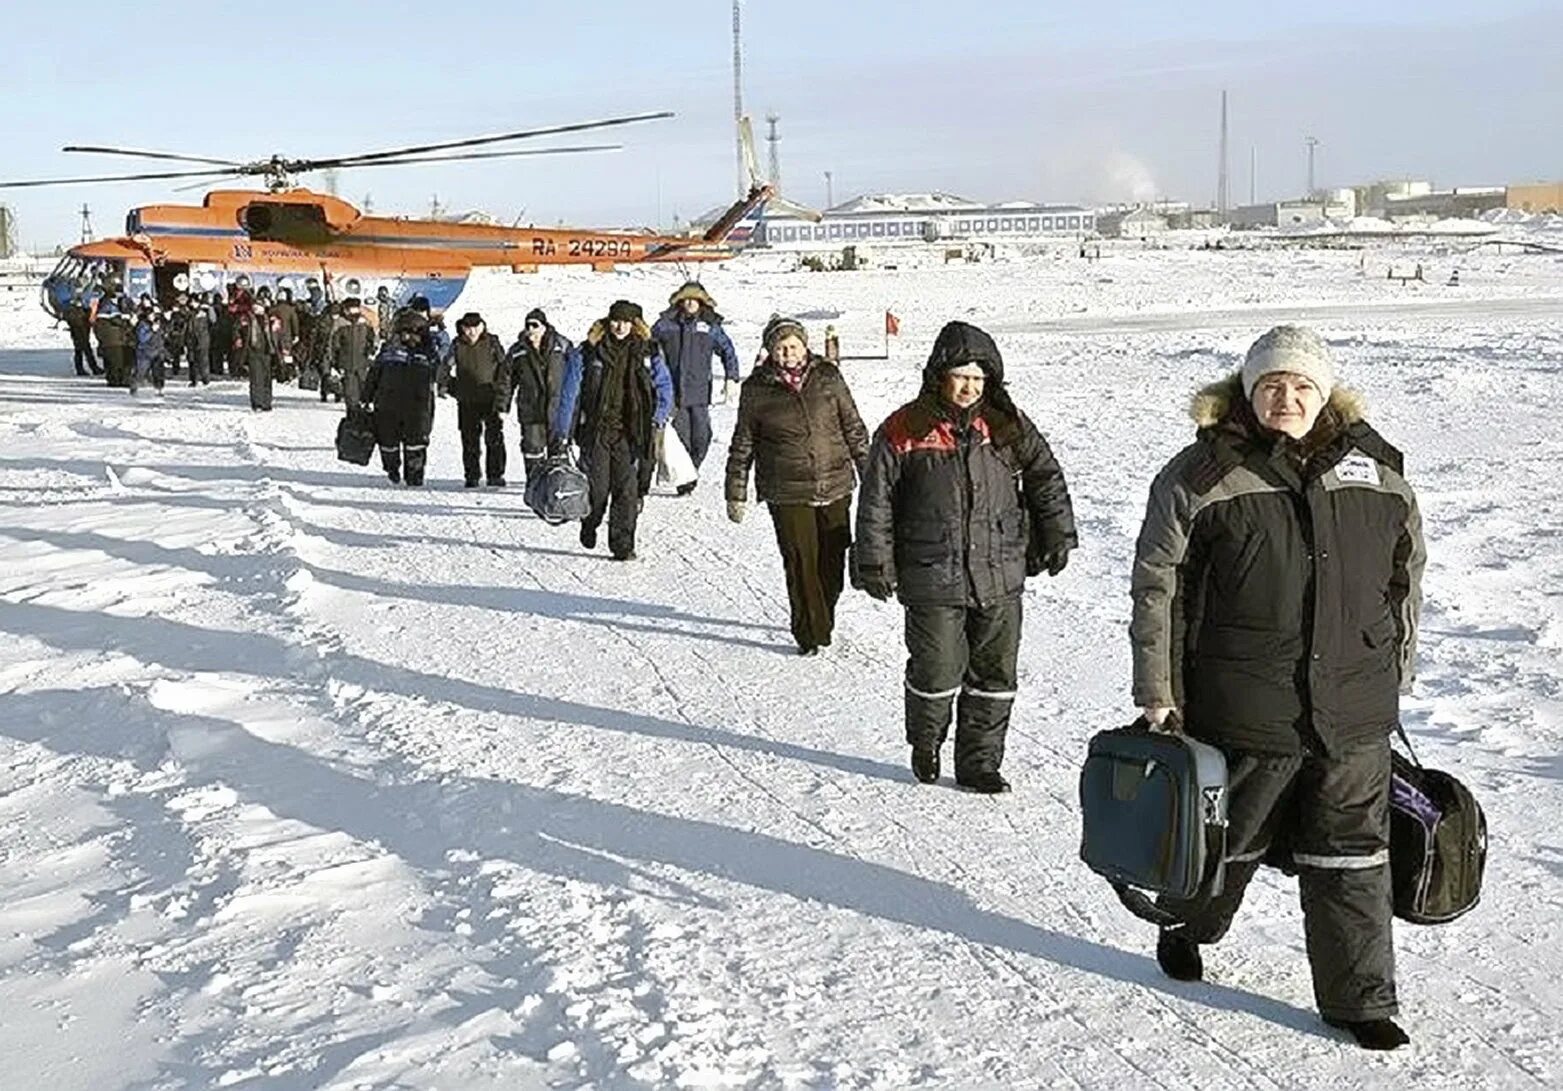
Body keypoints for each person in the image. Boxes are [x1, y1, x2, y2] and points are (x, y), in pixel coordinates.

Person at [1129, 326, 1424, 1051]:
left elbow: (1404, 576)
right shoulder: (1201, 475)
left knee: (1350, 853)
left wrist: (1396, 669)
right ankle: (1185, 926)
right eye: (1269, 385)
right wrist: (1157, 687)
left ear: (1322, 394)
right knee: (1227, 843)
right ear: (1247, 391)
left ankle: (1359, 1000)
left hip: (1353, 706)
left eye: (1299, 386)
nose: (1284, 398)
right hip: (1242, 702)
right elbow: (1156, 588)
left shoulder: (1377, 470)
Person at [854, 321, 1076, 792]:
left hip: (999, 571)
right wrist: (874, 561)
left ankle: (979, 764)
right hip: (932, 573)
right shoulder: (903, 429)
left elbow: (1045, 476)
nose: (970, 386)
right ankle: (927, 742)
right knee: (937, 669)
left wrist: (1057, 532)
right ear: (940, 376)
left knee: (994, 674)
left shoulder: (1006, 424)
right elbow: (876, 501)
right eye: (961, 375)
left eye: (978, 377)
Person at [725, 316, 869, 655]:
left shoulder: (828, 377)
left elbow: (854, 427)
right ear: (771, 351)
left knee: (833, 560)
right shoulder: (757, 389)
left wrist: (872, 474)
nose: (788, 352)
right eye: (781, 347)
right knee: (801, 560)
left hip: (835, 483)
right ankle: (808, 631)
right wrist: (736, 490)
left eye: (793, 345)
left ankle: (822, 614)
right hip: (786, 490)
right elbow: (743, 443)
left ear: (805, 346)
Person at [552, 300, 673, 561]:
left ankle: (622, 545)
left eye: (626, 322)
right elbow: (569, 393)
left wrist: (659, 417)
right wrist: (562, 432)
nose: (620, 326)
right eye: (616, 321)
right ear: (609, 322)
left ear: (635, 325)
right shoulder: (588, 352)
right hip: (596, 431)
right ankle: (590, 522)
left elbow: (664, 386)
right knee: (598, 490)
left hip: (630, 432)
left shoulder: (647, 353)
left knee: (626, 491)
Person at [650, 281, 741, 493]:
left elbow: (728, 351)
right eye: (686, 299)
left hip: (699, 392)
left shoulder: (710, 326)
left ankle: (691, 470)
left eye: (695, 300)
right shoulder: (666, 324)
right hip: (673, 393)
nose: (690, 303)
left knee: (702, 436)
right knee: (681, 437)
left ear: (702, 302)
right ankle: (685, 479)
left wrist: (732, 378)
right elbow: (649, 347)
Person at [363, 310, 441, 486]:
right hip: (387, 403)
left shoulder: (428, 352)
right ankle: (392, 469)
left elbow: (440, 369)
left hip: (418, 405)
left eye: (415, 332)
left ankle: (415, 475)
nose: (410, 336)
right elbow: (374, 374)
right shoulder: (389, 351)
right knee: (388, 441)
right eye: (406, 332)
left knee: (416, 441)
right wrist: (366, 396)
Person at [508, 307, 576, 484]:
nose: (530, 330)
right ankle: (535, 487)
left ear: (544, 326)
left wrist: (578, 403)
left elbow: (575, 375)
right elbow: (507, 378)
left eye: (535, 325)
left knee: (559, 453)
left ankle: (557, 490)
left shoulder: (562, 346)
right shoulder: (518, 350)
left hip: (558, 409)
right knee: (532, 452)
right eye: (527, 326)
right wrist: (502, 403)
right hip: (531, 410)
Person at [449, 311, 512, 487]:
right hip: (466, 399)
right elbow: (444, 367)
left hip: (490, 398)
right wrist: (451, 386)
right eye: (467, 328)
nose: (471, 332)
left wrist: (502, 393)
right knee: (469, 439)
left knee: (494, 438)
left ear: (482, 326)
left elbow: (504, 368)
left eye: (475, 328)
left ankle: (495, 474)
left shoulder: (492, 343)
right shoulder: (457, 345)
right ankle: (472, 475)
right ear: (462, 328)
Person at [327, 297, 375, 409]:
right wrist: (334, 360)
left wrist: (371, 351)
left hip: (362, 361)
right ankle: (353, 411)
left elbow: (372, 339)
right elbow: (333, 344)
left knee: (364, 386)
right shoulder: (340, 323)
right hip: (347, 362)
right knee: (350, 390)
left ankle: (364, 405)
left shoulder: (364, 322)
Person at [234, 295, 279, 411]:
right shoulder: (246, 318)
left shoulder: (269, 318)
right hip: (253, 351)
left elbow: (277, 334)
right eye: (254, 306)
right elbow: (236, 329)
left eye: (258, 306)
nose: (256, 308)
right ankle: (257, 403)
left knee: (266, 378)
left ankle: (267, 402)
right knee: (256, 378)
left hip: (267, 351)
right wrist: (238, 338)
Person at [91, 284, 134, 388]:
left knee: (116, 362)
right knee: (117, 362)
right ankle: (118, 380)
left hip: (115, 340)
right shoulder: (109, 308)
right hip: (115, 340)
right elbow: (117, 320)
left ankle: (116, 380)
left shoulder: (105, 306)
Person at [131, 299, 168, 396]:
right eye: (150, 315)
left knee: (158, 372)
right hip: (145, 352)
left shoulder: (159, 323)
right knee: (141, 371)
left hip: (157, 351)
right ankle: (135, 387)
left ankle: (159, 389)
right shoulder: (143, 325)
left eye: (154, 315)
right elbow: (142, 338)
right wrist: (152, 331)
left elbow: (162, 336)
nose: (153, 317)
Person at [64, 289, 101, 376]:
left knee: (79, 349)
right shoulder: (77, 311)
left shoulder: (72, 309)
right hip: (80, 329)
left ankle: (83, 368)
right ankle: (92, 368)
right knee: (84, 348)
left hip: (80, 328)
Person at [269, 286, 301, 381]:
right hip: (287, 336)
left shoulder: (272, 309)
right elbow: (295, 323)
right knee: (287, 356)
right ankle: (288, 373)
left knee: (277, 355)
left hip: (274, 335)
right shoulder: (290, 310)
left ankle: (279, 374)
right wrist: (296, 334)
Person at [185, 293, 212, 387]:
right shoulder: (188, 312)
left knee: (202, 360)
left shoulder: (204, 312)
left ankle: (205, 378)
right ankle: (194, 379)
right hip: (191, 338)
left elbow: (211, 322)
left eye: (193, 302)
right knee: (192, 360)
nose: (191, 304)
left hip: (202, 338)